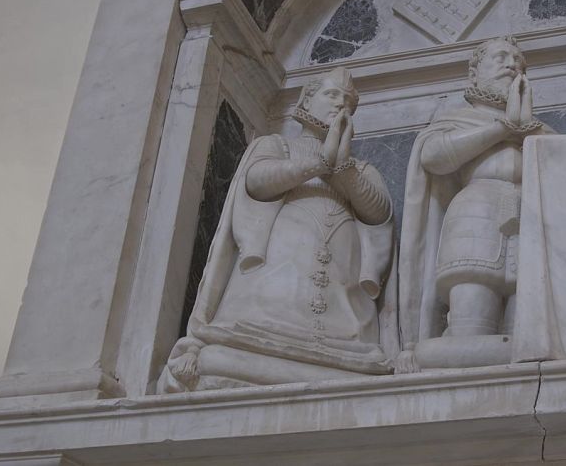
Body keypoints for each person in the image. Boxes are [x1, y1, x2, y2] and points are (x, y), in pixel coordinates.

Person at [159, 67, 395, 392]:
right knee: (222, 357)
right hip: (273, 287)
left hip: (341, 298)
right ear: (307, 99)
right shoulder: (276, 145)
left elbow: (379, 211)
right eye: (332, 95)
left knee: (361, 368)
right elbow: (256, 183)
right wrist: (317, 163)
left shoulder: (361, 169)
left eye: (349, 103)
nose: (341, 105)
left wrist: (341, 169)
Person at [398, 36, 555, 371]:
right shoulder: (459, 118)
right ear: (474, 73)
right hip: (474, 219)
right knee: (471, 318)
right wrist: (503, 128)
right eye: (500, 57)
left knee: (527, 327)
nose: (511, 65)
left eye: (518, 61)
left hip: (534, 222)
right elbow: (434, 156)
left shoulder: (540, 130)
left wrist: (529, 131)